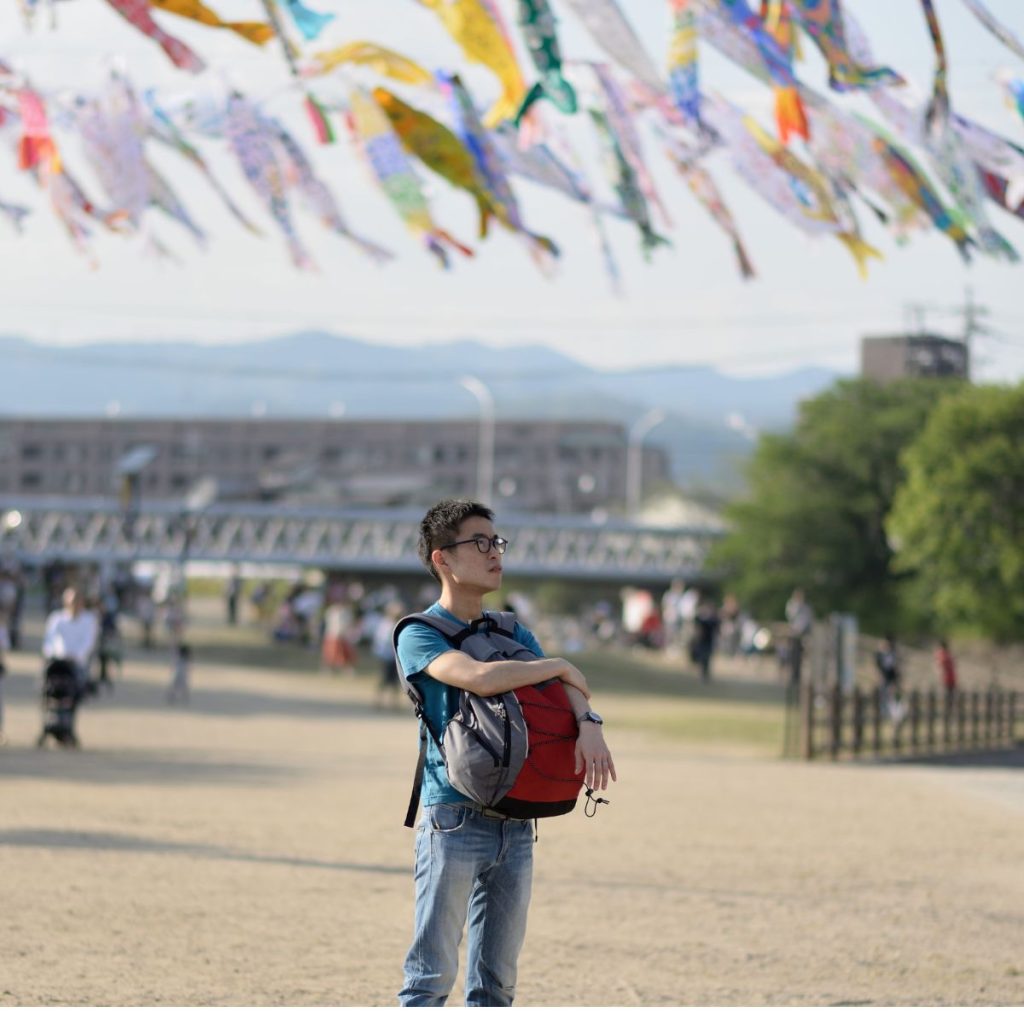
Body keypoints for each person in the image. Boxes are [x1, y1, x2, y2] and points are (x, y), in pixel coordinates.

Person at [395, 499, 616, 1007]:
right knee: (430, 980)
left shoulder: (512, 630)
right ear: (441, 559)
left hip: (516, 823)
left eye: (496, 542)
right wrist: (557, 664)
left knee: (497, 987)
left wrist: (589, 722)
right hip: (451, 815)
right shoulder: (418, 632)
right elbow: (478, 677)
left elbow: (568, 687)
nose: (495, 552)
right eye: (480, 543)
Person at [42, 587, 99, 696]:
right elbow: (49, 639)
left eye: (78, 601)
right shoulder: (56, 618)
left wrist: (76, 656)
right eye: (72, 601)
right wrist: (52, 653)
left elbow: (88, 642)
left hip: (78, 661)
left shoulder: (89, 620)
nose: (75, 605)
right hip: (57, 660)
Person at [784, 588, 814, 686]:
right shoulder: (792, 606)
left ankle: (798, 676)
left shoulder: (806, 608)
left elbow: (808, 620)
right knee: (793, 656)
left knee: (800, 657)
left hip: (802, 635)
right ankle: (793, 676)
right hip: (794, 634)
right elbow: (790, 615)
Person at [875, 635, 904, 722]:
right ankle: (884, 713)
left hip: (893, 678)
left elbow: (897, 667)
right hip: (885, 677)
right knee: (884, 695)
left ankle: (896, 714)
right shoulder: (881, 653)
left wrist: (899, 677)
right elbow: (878, 665)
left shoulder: (894, 653)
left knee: (895, 695)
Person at [690, 596, 720, 682]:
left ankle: (705, 675)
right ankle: (702, 674)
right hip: (701, 641)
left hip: (709, 641)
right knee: (702, 658)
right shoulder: (701, 617)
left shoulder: (713, 619)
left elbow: (716, 628)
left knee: (707, 658)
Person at [935, 638, 958, 713]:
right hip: (952, 677)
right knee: (951, 695)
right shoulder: (949, 654)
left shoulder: (942, 654)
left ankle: (947, 711)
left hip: (946, 678)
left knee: (947, 695)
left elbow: (940, 665)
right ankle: (950, 710)